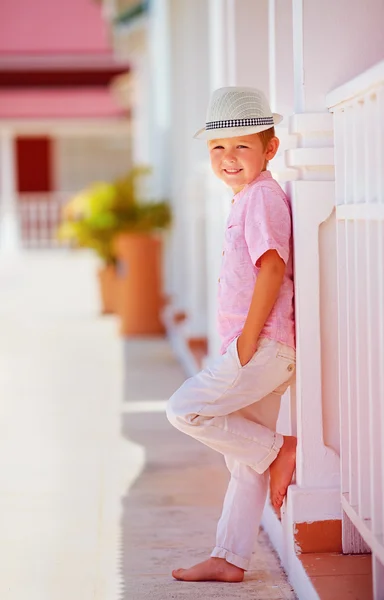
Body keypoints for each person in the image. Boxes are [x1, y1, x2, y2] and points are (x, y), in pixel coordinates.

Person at [166, 86, 296, 583]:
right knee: (244, 462)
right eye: (218, 148)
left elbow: (271, 268)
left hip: (260, 348)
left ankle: (278, 448)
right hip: (264, 349)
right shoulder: (249, 197)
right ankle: (230, 557)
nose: (229, 157)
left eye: (242, 145)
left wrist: (245, 342)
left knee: (185, 408)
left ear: (270, 148)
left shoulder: (262, 197)